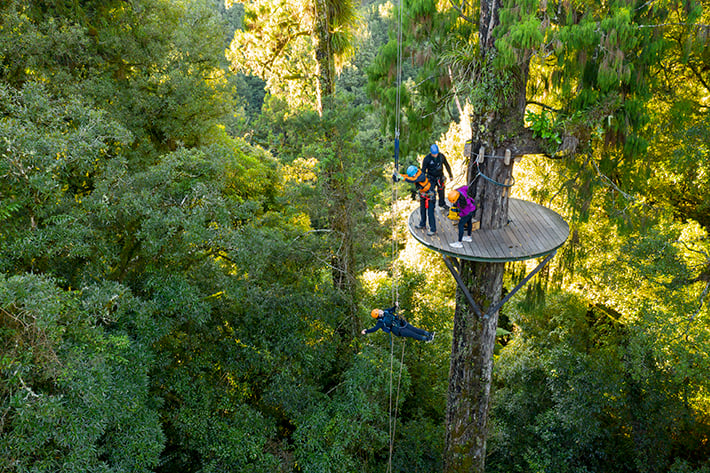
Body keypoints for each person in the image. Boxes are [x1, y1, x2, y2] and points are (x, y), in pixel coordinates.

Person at [393, 165, 437, 236]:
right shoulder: (414, 174)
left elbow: (412, 180)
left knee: (430, 213)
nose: (412, 176)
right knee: (422, 210)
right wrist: (398, 175)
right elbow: (408, 176)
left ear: (416, 172)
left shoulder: (421, 176)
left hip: (430, 195)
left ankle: (433, 229)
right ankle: (422, 224)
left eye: (413, 175)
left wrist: (400, 178)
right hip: (423, 194)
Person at [361, 303, 435, 342]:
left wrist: (395, 306)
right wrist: (366, 331)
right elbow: (374, 329)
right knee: (412, 334)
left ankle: (429, 334)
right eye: (379, 311)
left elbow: (392, 309)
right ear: (378, 315)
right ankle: (427, 339)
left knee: (415, 329)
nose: (380, 310)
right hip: (398, 330)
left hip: (400, 323)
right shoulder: (380, 322)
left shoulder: (386, 311)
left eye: (379, 310)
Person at [421, 144, 453, 211]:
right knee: (432, 193)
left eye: (436, 153)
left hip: (440, 177)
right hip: (431, 178)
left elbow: (447, 165)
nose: (435, 155)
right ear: (431, 153)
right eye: (434, 154)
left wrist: (450, 175)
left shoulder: (441, 157)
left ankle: (442, 204)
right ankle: (432, 206)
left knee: (441, 191)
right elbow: (423, 170)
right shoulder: (427, 159)